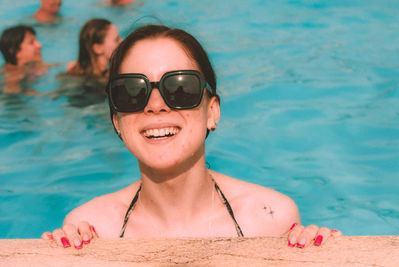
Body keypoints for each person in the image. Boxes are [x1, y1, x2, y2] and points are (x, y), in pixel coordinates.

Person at [42, 24, 342, 249]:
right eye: (132, 91)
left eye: (180, 88)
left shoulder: (271, 217)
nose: (155, 105)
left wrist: (321, 250)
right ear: (116, 121)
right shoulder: (91, 229)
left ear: (212, 112)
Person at [0, 25, 49, 93]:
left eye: (36, 40)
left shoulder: (32, 65)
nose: (39, 45)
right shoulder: (13, 73)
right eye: (31, 43)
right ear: (15, 51)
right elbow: (10, 91)